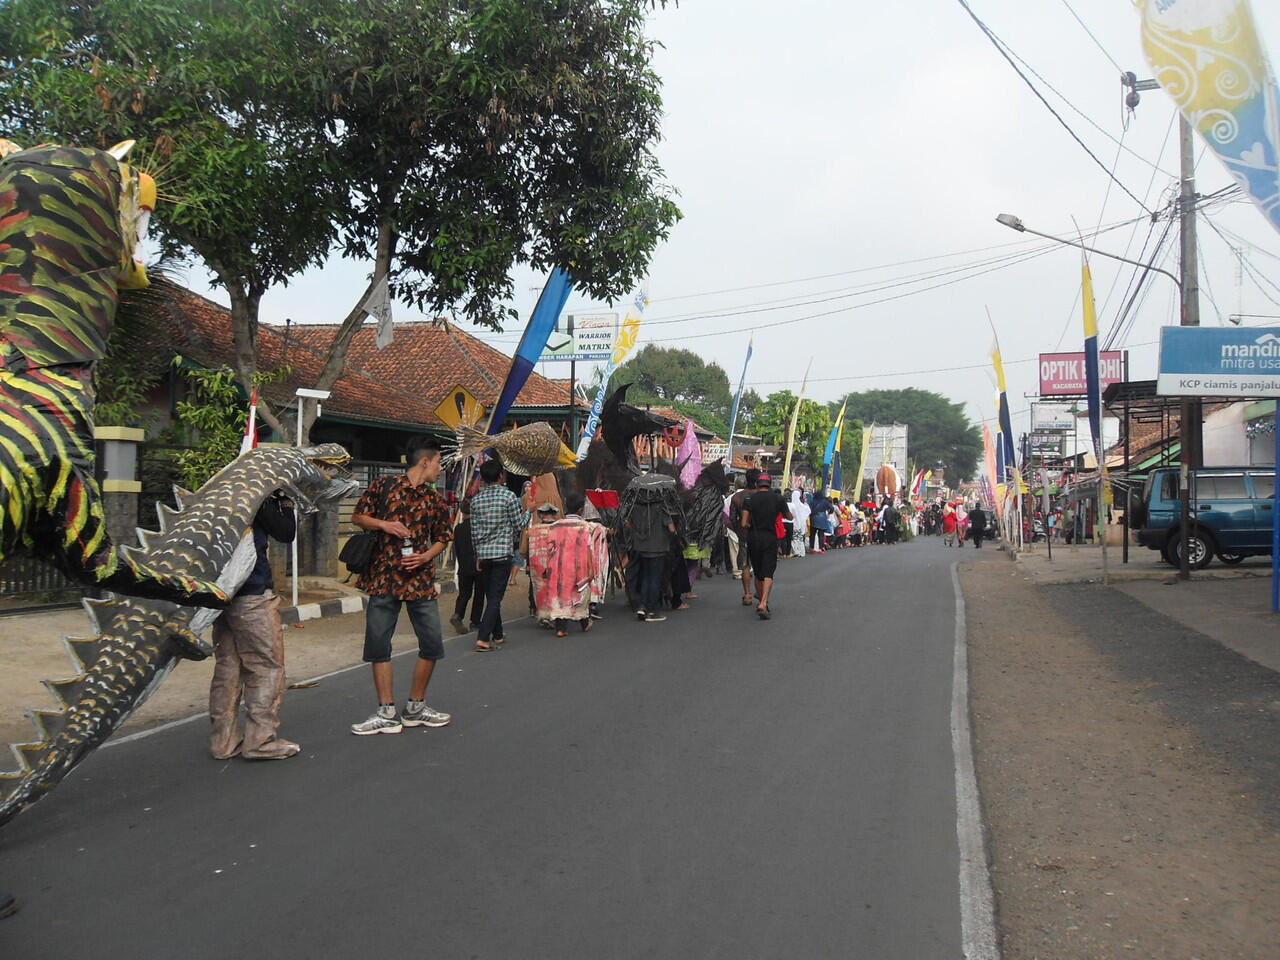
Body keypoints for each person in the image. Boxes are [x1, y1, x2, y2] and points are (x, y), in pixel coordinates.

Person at [349, 436, 454, 735]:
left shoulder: (434, 499)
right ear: (425, 461)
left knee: (432, 643)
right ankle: (386, 712)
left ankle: (416, 707)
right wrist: (384, 524)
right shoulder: (384, 487)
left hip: (419, 580)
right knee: (378, 644)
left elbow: (444, 537)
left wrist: (425, 556)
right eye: (438, 462)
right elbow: (359, 516)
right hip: (383, 577)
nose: (439, 468)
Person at [209, 492, 299, 760]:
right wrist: (284, 499)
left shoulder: (219, 491)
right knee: (266, 666)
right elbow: (285, 532)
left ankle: (223, 742)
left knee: (228, 666)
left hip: (220, 591)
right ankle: (260, 741)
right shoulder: (256, 494)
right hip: (251, 592)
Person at [470, 458, 524, 652]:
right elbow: (518, 525)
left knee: (491, 595)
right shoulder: (508, 497)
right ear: (501, 476)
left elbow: (474, 532)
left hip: (483, 554)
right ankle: (483, 637)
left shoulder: (476, 500)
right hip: (502, 554)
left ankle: (498, 634)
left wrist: (477, 555)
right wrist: (529, 512)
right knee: (495, 598)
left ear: (483, 478)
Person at [526, 493, 596, 637]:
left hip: (557, 567)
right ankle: (584, 623)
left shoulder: (555, 526)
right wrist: (591, 569)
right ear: (580, 510)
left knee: (560, 595)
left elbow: (550, 549)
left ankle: (561, 628)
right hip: (578, 567)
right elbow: (588, 548)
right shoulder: (584, 526)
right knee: (578, 595)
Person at [742, 473, 790, 620]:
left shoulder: (749, 499)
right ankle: (764, 602)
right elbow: (789, 517)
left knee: (758, 572)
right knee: (768, 571)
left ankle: (761, 600)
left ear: (757, 484)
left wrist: (752, 525)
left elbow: (743, 523)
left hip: (754, 538)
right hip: (770, 537)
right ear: (770, 484)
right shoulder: (778, 499)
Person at [449, 499, 484, 633]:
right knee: (479, 595)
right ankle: (475, 622)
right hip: (478, 565)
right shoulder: (479, 527)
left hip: (463, 566)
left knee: (464, 594)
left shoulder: (458, 528)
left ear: (462, 512)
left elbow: (456, 548)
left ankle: (458, 615)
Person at [730, 469, 759, 604]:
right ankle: (760, 592)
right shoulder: (763, 495)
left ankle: (747, 594)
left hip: (744, 534)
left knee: (745, 565)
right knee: (760, 565)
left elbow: (732, 518)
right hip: (761, 533)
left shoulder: (737, 497)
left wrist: (739, 530)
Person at [789, 489, 810, 557]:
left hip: (793, 523)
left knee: (794, 537)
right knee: (800, 538)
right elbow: (808, 511)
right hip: (801, 524)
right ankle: (801, 552)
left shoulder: (792, 504)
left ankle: (795, 551)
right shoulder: (802, 505)